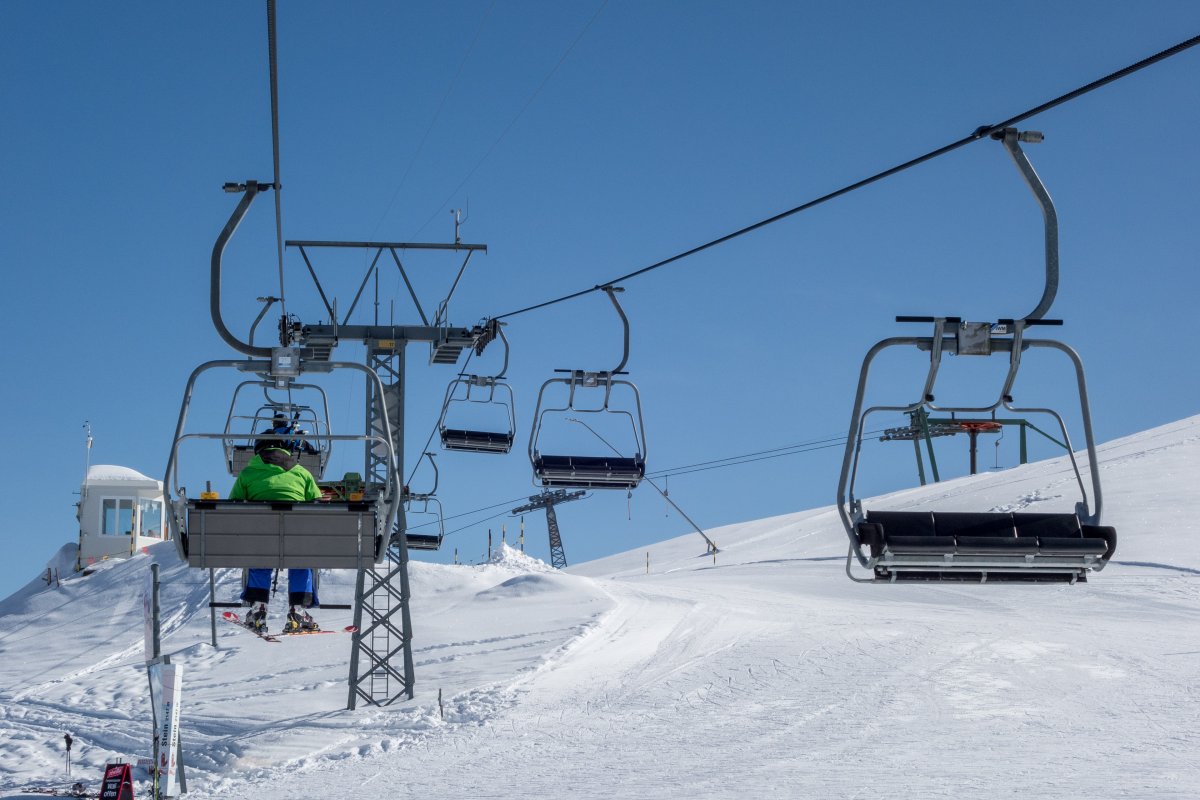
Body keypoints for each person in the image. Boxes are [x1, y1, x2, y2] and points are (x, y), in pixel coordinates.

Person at [230, 434, 321, 633]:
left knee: (259, 559)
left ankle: (258, 610)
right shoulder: (302, 473)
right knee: (302, 561)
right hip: (296, 536)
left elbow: (234, 505)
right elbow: (317, 503)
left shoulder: (247, 473)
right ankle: (297, 611)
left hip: (262, 536)